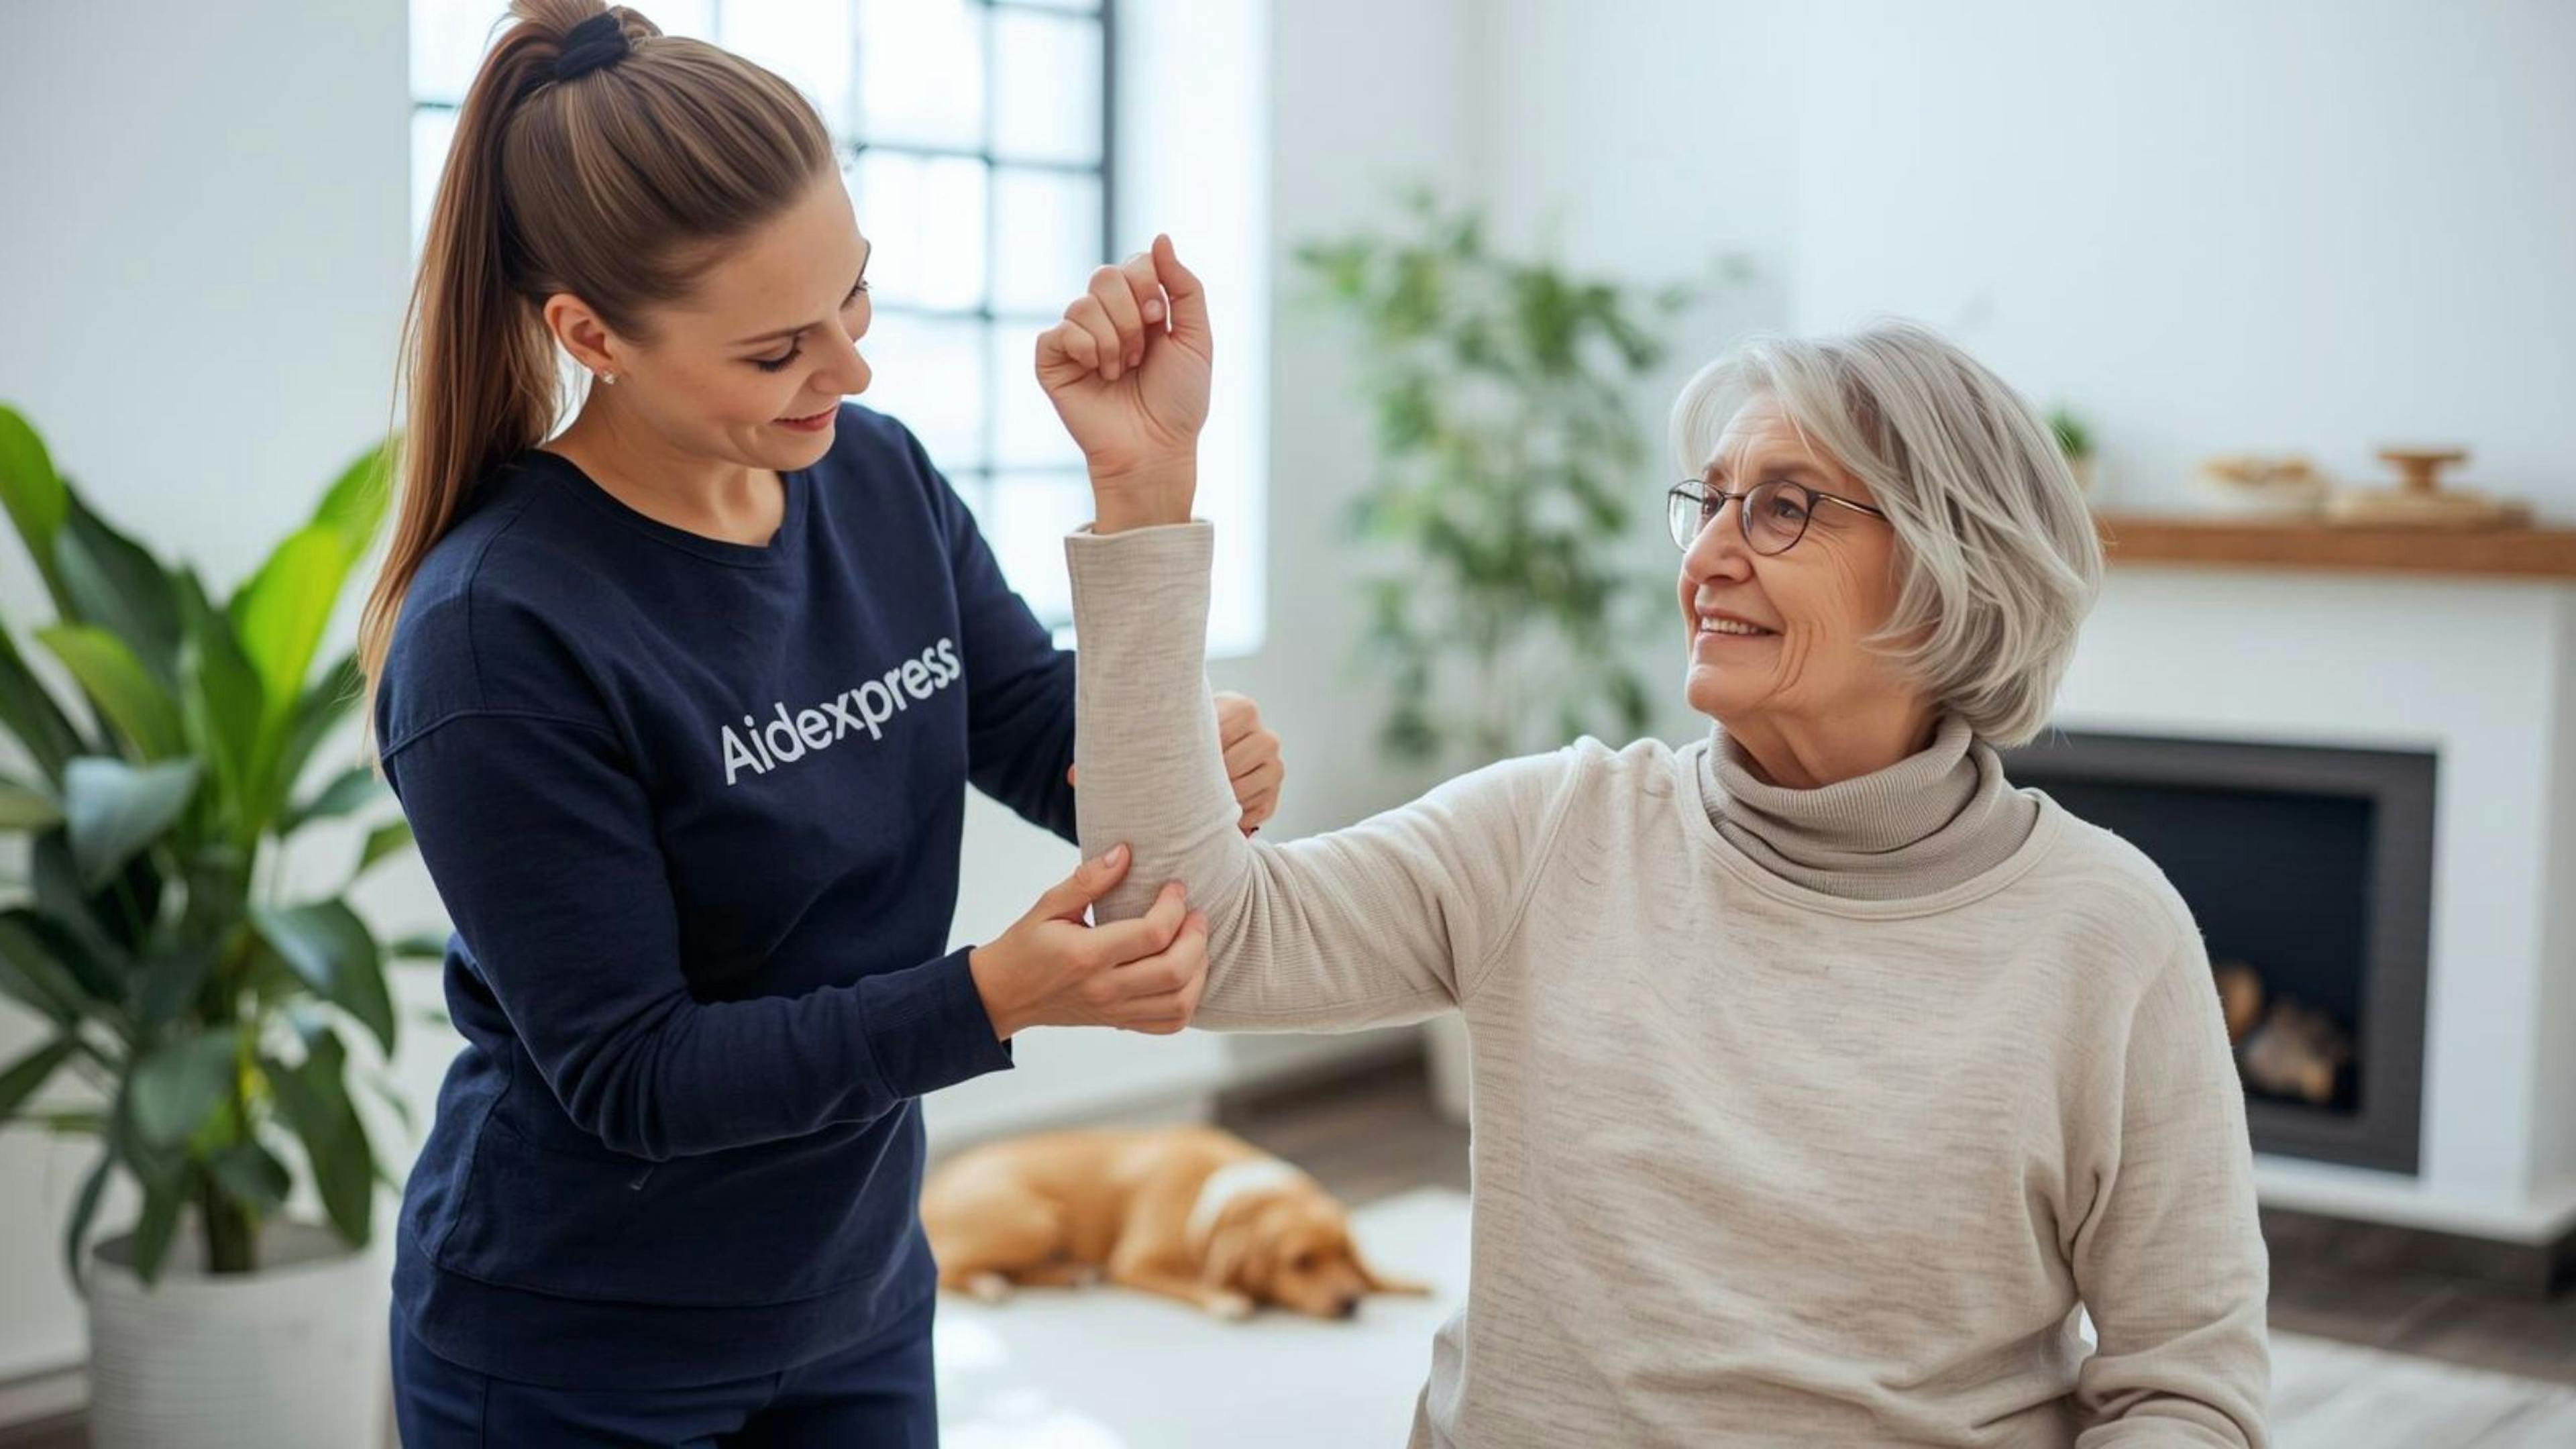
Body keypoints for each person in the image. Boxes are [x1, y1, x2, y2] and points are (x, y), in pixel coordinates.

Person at [1036, 242, 2269, 1446]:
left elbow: (2186, 1390)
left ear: (1953, 572)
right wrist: (1145, 503)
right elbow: (1187, 942)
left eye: (1785, 508)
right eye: (1711, 502)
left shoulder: (2106, 931)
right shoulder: (1547, 836)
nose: (1710, 556)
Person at [364, 5, 1277, 1440]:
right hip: (577, 1353)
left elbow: (1034, 727)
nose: (848, 373)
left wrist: (1171, 703)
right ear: (590, 335)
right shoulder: (499, 635)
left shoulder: (877, 482)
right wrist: (991, 997)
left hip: (852, 1299)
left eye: (852, 299)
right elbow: (635, 1071)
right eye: (777, 349)